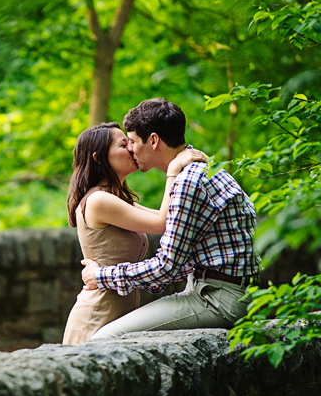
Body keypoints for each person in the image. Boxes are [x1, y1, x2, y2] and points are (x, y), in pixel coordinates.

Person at [80, 98, 258, 338]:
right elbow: (181, 260)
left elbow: (166, 266)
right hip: (221, 291)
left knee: (107, 338)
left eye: (131, 141)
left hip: (218, 299)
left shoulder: (187, 181)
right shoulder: (201, 168)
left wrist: (101, 276)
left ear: (153, 141)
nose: (131, 149)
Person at [63, 122, 207, 344]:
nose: (131, 149)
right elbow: (160, 224)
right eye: (124, 145)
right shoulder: (98, 201)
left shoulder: (117, 199)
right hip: (95, 318)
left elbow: (169, 219)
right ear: (99, 158)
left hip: (118, 316)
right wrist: (173, 170)